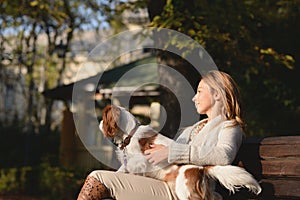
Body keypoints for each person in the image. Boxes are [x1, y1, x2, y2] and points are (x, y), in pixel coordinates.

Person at [77, 70, 244, 200]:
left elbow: (223, 155)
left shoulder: (229, 126)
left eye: (199, 91)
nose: (194, 98)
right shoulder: (190, 130)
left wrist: (170, 152)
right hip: (165, 185)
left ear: (217, 94)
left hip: (183, 192)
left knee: (97, 177)